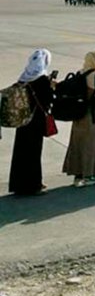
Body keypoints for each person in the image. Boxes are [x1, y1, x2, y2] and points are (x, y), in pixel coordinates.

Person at [9, 50, 56, 195]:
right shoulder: (41, 80)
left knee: (20, 152)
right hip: (35, 122)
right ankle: (33, 185)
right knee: (33, 153)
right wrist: (52, 86)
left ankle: (18, 185)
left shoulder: (23, 78)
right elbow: (48, 100)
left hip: (22, 120)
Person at [63, 50, 95, 186]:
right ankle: (89, 174)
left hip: (77, 113)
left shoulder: (81, 72)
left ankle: (78, 174)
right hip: (90, 113)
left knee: (77, 143)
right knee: (90, 144)